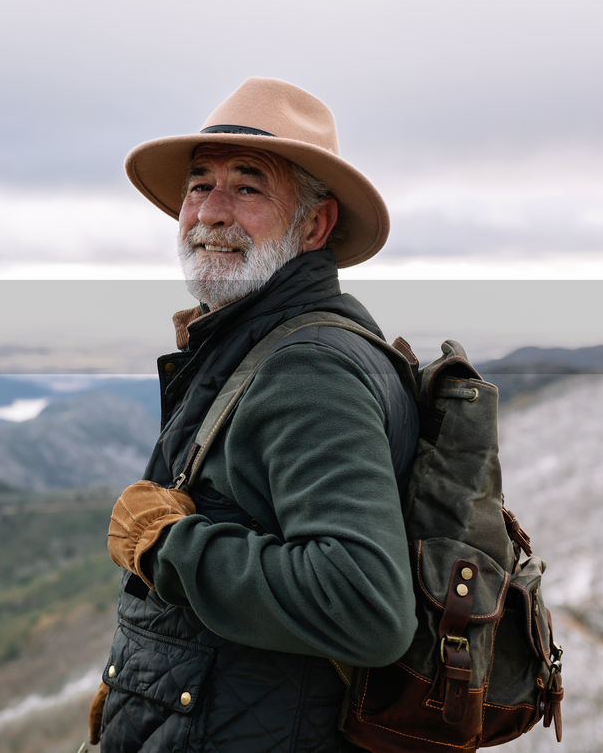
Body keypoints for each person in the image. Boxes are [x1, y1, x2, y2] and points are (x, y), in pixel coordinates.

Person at [88, 77, 420, 751]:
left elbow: (365, 604)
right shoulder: (259, 342)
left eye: (248, 187)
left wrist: (168, 548)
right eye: (198, 184)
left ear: (315, 225)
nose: (210, 210)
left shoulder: (309, 365)